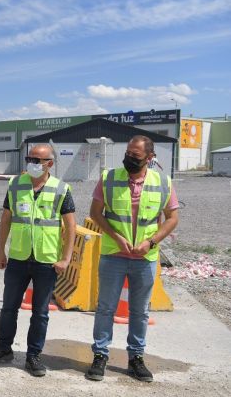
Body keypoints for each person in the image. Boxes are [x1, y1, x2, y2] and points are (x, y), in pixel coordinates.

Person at [85, 135, 179, 383]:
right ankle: (100, 355)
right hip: (113, 255)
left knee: (139, 311)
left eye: (135, 155)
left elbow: (172, 218)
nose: (129, 158)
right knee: (105, 308)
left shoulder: (163, 182)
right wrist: (116, 237)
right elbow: (95, 213)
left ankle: (136, 357)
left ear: (150, 157)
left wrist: (151, 242)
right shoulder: (109, 178)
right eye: (127, 153)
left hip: (145, 258)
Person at [0, 144, 76, 376]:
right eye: (29, 159)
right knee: (9, 308)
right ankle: (4, 348)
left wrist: (65, 259)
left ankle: (33, 355)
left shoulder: (61, 189)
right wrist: (0, 251)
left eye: (37, 160)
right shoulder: (15, 185)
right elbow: (6, 219)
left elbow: (71, 226)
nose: (32, 163)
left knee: (40, 312)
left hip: (46, 260)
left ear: (49, 163)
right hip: (18, 257)